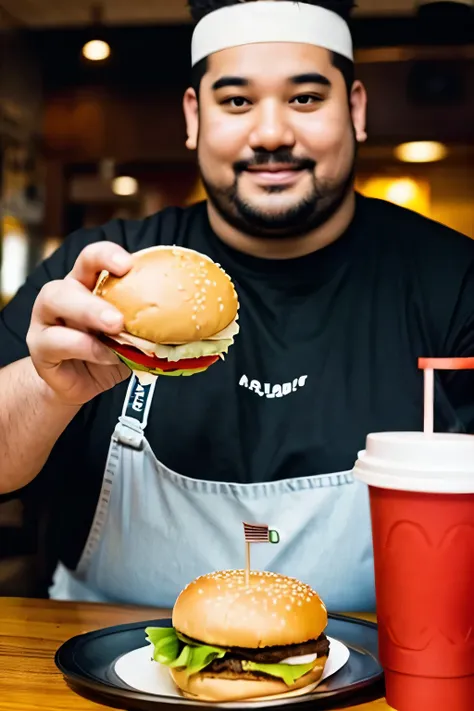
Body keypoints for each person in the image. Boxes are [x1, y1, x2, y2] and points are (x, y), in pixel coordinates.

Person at [1, 0, 474, 612]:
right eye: (236, 101)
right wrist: (48, 392)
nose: (272, 134)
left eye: (305, 98)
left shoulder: (451, 279)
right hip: (103, 674)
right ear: (194, 116)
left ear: (355, 109)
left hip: (381, 685)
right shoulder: (102, 271)